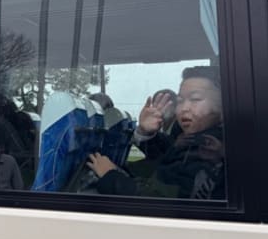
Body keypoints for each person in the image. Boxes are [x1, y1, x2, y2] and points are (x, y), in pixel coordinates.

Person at [87, 66, 225, 199]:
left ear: (222, 105)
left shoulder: (210, 151)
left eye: (195, 99)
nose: (184, 108)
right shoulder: (186, 141)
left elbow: (160, 204)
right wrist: (145, 133)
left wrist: (110, 175)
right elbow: (150, 170)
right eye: (180, 101)